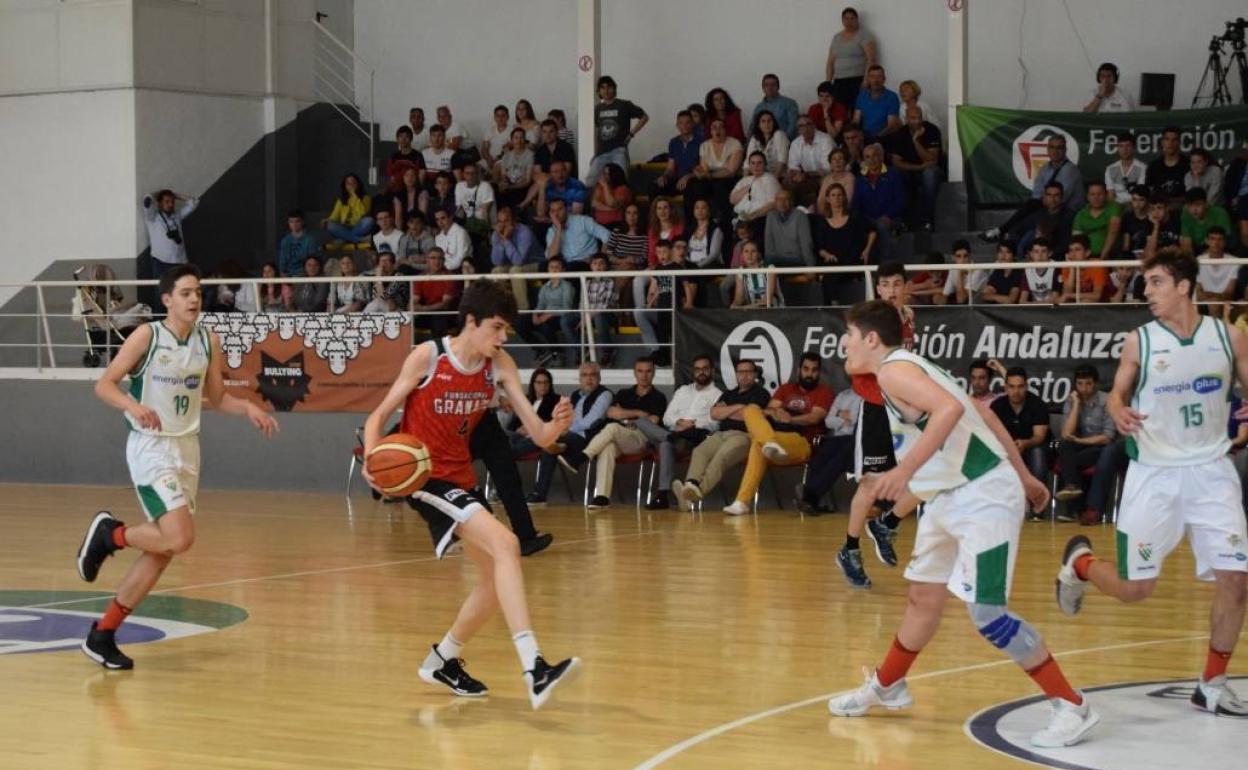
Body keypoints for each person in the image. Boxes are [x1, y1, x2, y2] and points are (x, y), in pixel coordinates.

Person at [828, 299, 1097, 749]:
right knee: (922, 598)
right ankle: (889, 684)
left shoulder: (895, 370)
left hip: (983, 494)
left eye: (849, 337)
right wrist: (1027, 475)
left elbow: (952, 412)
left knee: (988, 615)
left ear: (871, 339)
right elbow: (983, 413)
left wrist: (902, 471)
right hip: (948, 495)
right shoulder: (908, 367)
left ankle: (1073, 705)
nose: (843, 345)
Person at [360, 279, 580, 709]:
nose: (502, 338)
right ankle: (534, 666)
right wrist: (371, 458)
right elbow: (378, 416)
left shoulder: (499, 366)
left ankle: (443, 659)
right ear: (471, 322)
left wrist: (558, 425)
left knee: (495, 581)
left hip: (460, 477)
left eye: (506, 331)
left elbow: (539, 434)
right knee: (508, 543)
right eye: (496, 328)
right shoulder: (428, 357)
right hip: (422, 476)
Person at [1056, 249, 1248, 717]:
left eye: (1157, 282)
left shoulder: (1230, 337)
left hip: (1212, 472)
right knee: (1134, 590)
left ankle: (1212, 683)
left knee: (1237, 580)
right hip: (1154, 473)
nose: (1148, 292)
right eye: (1147, 284)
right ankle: (1081, 564)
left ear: (1184, 286)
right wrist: (1118, 406)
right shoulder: (1140, 341)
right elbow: (1119, 388)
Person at [76, 266, 278, 669]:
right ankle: (110, 535)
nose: (194, 299)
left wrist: (249, 408)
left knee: (165, 548)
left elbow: (218, 398)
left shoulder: (208, 340)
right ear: (167, 299)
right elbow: (105, 384)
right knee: (180, 538)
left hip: (188, 449)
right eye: (185, 293)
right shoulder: (147, 336)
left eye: (198, 293)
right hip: (151, 448)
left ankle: (103, 634)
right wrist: (134, 406)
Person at [834, 263, 918, 589]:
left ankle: (887, 523)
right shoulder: (866, 324)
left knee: (934, 473)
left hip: (905, 408)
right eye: (886, 284)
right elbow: (849, 364)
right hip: (877, 409)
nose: (893, 290)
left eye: (898, 284)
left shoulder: (908, 318)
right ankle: (850, 549)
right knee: (870, 484)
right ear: (878, 289)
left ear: (905, 288)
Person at [723, 353, 833, 516]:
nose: (809, 374)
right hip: (775, 437)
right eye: (806, 369)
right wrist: (776, 412)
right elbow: (767, 411)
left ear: (819, 372)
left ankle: (742, 501)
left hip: (801, 442)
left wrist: (790, 418)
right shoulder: (786, 389)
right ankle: (769, 443)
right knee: (751, 409)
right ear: (798, 370)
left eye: (814, 370)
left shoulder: (824, 392)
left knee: (758, 445)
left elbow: (814, 417)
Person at [672, 359, 771, 512]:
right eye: (740, 372)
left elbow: (749, 415)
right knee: (700, 451)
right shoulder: (729, 393)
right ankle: (691, 484)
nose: (744, 376)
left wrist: (728, 411)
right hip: (720, 434)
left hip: (743, 436)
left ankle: (693, 494)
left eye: (748, 372)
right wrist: (739, 407)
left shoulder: (761, 394)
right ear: (736, 374)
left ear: (755, 374)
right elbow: (714, 413)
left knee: (721, 456)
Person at [583, 358, 668, 509]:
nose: (644, 375)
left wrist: (625, 415)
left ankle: (584, 456)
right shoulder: (624, 393)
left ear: (654, 373)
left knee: (612, 429)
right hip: (621, 437)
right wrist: (638, 413)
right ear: (634, 373)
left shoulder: (659, 397)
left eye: (648, 371)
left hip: (641, 439)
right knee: (607, 447)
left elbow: (653, 421)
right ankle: (602, 497)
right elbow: (610, 412)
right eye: (640, 371)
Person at [527, 361, 613, 505]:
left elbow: (592, 421)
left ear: (599, 377)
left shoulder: (604, 394)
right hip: (568, 437)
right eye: (584, 375)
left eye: (593, 375)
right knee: (550, 446)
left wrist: (564, 430)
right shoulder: (575, 395)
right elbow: (564, 417)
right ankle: (540, 494)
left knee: (546, 438)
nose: (589, 379)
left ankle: (511, 451)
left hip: (587, 439)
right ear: (579, 378)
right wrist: (561, 429)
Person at [650, 355, 722, 510]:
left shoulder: (718, 394)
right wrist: (680, 422)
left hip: (693, 438)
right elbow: (667, 417)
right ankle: (667, 438)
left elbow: (714, 423)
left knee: (664, 444)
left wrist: (690, 425)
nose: (701, 372)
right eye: (697, 369)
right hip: (673, 432)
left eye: (705, 369)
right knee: (643, 424)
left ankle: (663, 494)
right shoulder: (683, 390)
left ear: (712, 371)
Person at [981, 137, 1085, 243]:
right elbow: (1036, 194)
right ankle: (1006, 234)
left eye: (1059, 148)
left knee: (1032, 210)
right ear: (1047, 149)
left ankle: (1003, 232)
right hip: (1047, 209)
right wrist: (1042, 200)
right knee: (1031, 208)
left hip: (1069, 211)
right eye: (1052, 147)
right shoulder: (1045, 168)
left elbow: (1058, 198)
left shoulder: (1070, 170)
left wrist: (1044, 199)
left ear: (1065, 150)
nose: (1055, 151)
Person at [1052, 365, 1116, 517]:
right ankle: (1072, 488)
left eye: (1088, 383)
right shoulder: (1072, 399)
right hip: (1078, 444)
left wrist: (1080, 441)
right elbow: (1066, 434)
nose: (1084, 388)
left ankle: (1075, 507)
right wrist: (1075, 405)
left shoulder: (1107, 401)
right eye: (1080, 384)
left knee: (1070, 461)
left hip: (1100, 447)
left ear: (1096, 383)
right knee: (1063, 445)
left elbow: (1107, 437)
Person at [793, 385, 862, 515]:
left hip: (858, 440)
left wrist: (839, 414)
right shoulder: (843, 395)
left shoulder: (872, 395)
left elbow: (858, 419)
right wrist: (844, 418)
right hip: (837, 438)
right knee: (820, 456)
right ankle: (812, 501)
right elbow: (828, 421)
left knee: (839, 459)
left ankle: (809, 496)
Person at [990, 365, 1051, 493]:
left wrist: (1025, 443)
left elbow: (1039, 437)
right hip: (1006, 449)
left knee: (1038, 452)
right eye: (1011, 387)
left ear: (1026, 386)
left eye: (1020, 386)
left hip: (1033, 447)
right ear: (1005, 387)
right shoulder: (997, 405)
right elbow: (991, 434)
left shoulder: (1038, 405)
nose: (1016, 391)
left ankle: (1038, 504)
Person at [812, 182, 875, 305]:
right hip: (833, 262)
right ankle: (832, 305)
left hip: (852, 260)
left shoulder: (854, 217)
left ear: (844, 197)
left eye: (839, 195)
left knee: (832, 274)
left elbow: (872, 231)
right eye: (833, 195)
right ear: (828, 199)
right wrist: (826, 255)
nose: (836, 198)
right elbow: (820, 248)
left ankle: (833, 305)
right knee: (830, 273)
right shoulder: (822, 222)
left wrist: (867, 250)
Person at [514, 255, 577, 367]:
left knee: (546, 325)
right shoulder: (545, 287)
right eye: (551, 267)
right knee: (518, 323)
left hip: (559, 316)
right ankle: (540, 350)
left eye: (557, 267)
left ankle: (557, 353)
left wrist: (549, 315)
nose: (554, 270)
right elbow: (540, 305)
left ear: (563, 270)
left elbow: (567, 309)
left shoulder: (567, 286)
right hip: (545, 315)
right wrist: (535, 314)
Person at [889, 104, 943, 231]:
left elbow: (931, 159)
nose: (917, 121)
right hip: (911, 170)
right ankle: (902, 221)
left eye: (919, 117)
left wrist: (916, 141)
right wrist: (919, 168)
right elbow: (896, 162)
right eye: (913, 118)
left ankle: (927, 219)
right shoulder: (900, 134)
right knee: (894, 173)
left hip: (930, 170)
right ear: (906, 119)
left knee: (929, 174)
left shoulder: (932, 130)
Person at [588, 75, 647, 187]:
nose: (606, 90)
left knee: (621, 182)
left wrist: (631, 134)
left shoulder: (624, 105)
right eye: (603, 88)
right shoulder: (598, 108)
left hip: (618, 150)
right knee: (591, 182)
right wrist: (595, 153)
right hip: (601, 152)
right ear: (599, 91)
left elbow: (644, 117)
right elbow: (598, 132)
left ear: (614, 89)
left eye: (609, 87)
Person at [686, 118, 745, 224]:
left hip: (729, 178)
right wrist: (698, 171)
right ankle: (695, 222)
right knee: (692, 185)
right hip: (711, 177)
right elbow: (704, 168)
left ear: (725, 130)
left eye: (721, 127)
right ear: (710, 131)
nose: (717, 130)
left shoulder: (735, 144)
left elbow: (730, 171)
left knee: (720, 186)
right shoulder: (704, 145)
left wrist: (709, 174)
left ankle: (726, 221)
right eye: (714, 127)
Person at [490, 206, 540, 311]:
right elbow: (496, 261)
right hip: (513, 265)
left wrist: (506, 240)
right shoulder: (496, 234)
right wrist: (501, 240)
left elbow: (519, 261)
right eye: (500, 221)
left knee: (515, 270)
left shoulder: (525, 232)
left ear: (513, 221)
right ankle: (502, 309)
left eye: (506, 221)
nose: (502, 225)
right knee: (496, 271)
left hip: (535, 264)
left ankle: (522, 310)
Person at [825, 7, 877, 106]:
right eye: (846, 18)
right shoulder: (837, 37)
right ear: (842, 20)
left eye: (852, 18)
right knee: (840, 110)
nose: (849, 21)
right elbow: (830, 62)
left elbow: (871, 59)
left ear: (857, 19)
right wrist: (828, 82)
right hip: (839, 80)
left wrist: (866, 80)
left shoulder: (865, 35)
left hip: (857, 79)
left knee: (857, 109)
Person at [652, 110, 703, 199]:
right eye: (681, 123)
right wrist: (664, 176)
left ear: (693, 124)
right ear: (677, 125)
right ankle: (655, 212)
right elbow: (670, 168)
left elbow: (704, 168)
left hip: (695, 179)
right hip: (678, 180)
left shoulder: (701, 141)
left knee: (691, 188)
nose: (684, 126)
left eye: (688, 123)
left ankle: (689, 213)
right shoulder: (674, 142)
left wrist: (688, 176)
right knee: (654, 187)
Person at [546, 199, 612, 267]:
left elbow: (607, 235)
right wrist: (558, 229)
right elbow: (551, 257)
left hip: (587, 263)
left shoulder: (583, 221)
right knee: (543, 266)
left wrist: (599, 258)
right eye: (553, 211)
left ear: (567, 209)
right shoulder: (551, 231)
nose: (556, 214)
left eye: (559, 209)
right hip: (567, 265)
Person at [785, 115, 833, 206]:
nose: (805, 128)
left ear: (814, 126)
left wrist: (806, 175)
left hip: (825, 176)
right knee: (788, 181)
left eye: (808, 124)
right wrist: (795, 175)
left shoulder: (825, 140)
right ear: (798, 130)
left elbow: (828, 169)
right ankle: (794, 213)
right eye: (801, 126)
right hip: (806, 177)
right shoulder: (796, 143)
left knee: (824, 181)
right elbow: (793, 166)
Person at [408, 249, 458, 335]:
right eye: (433, 258)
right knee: (407, 317)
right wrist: (411, 307)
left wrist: (423, 309)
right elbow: (414, 299)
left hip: (445, 314)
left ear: (444, 260)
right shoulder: (421, 276)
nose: (437, 261)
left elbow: (445, 305)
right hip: (428, 311)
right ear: (427, 260)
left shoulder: (449, 277)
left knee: (439, 317)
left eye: (440, 258)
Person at [1072, 182, 1122, 261]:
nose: (1096, 197)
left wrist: (1104, 254)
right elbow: (1077, 240)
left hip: (1112, 256)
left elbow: (1113, 230)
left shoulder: (1113, 207)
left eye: (1100, 194)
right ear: (1087, 196)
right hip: (1087, 258)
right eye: (1092, 194)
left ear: (1106, 195)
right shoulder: (1081, 214)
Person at [1180, 187, 1233, 257]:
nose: (1194, 209)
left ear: (1206, 204)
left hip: (1225, 248)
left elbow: (1220, 242)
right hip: (1198, 249)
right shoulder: (1185, 214)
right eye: (1190, 205)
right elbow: (1186, 242)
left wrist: (1203, 258)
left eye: (1198, 204)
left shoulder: (1219, 213)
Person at [852, 65, 901, 141]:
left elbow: (892, 125)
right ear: (868, 79)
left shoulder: (892, 97)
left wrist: (876, 138)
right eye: (872, 77)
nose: (876, 80)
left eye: (879, 76)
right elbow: (856, 120)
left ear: (884, 79)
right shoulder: (862, 95)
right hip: (864, 137)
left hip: (884, 137)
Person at [322, 173, 374, 246]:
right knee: (329, 225)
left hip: (359, 226)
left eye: (353, 182)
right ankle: (360, 239)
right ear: (345, 186)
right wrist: (326, 221)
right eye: (348, 183)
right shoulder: (341, 200)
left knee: (369, 220)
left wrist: (354, 195)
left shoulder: (366, 198)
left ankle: (344, 239)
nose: (351, 185)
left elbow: (363, 213)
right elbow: (334, 217)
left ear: (358, 184)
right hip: (344, 227)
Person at [1058, 234, 1108, 305]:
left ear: (1087, 252)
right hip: (1077, 303)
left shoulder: (1097, 266)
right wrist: (1072, 268)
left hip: (1103, 306)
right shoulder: (1067, 266)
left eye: (1077, 250)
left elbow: (1097, 296)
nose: (1073, 254)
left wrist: (1069, 295)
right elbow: (1066, 292)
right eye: (1071, 250)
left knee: (1086, 301)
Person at [494, 127, 535, 212]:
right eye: (516, 138)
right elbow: (504, 175)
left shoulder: (530, 155)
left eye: (521, 138)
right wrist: (503, 183)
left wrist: (511, 187)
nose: (519, 141)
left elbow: (527, 180)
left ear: (524, 139)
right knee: (494, 189)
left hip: (521, 187)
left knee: (512, 195)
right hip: (509, 185)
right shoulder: (506, 156)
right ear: (512, 140)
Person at [1145, 127, 1188, 205]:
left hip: (1182, 208)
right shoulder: (1153, 166)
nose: (1170, 143)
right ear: (1162, 142)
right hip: (1159, 209)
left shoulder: (1188, 164)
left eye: (1174, 140)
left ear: (1179, 142)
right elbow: (1149, 191)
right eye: (1167, 139)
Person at [731, 240, 779, 309]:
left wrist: (744, 307)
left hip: (773, 312)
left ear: (758, 254)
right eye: (746, 251)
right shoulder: (740, 271)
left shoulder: (769, 268)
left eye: (753, 251)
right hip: (751, 313)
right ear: (742, 255)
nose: (749, 255)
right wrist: (734, 305)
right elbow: (739, 299)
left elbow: (768, 301)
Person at [751, 73, 799, 140]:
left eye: (773, 85)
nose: (770, 88)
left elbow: (793, 126)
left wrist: (783, 141)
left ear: (778, 87)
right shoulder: (759, 107)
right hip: (763, 145)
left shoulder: (789, 103)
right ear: (763, 88)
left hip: (785, 143)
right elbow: (752, 128)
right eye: (766, 85)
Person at [745, 110, 790, 179]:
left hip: (779, 176)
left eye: (769, 121)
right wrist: (745, 180)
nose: (766, 124)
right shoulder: (754, 138)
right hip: (760, 176)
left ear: (773, 123)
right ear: (758, 125)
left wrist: (773, 180)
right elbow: (748, 161)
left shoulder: (779, 135)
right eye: (763, 121)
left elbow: (782, 161)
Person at [1104, 134, 1147, 205]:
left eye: (1128, 146)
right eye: (1121, 146)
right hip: (1116, 206)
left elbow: (1140, 194)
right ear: (1117, 148)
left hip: (1135, 205)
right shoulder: (1110, 169)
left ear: (1133, 148)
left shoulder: (1142, 168)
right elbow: (1110, 195)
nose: (1124, 149)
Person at [942, 239, 987, 305]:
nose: (962, 260)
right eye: (958, 256)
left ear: (970, 256)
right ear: (953, 257)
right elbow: (946, 294)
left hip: (982, 308)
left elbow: (961, 300)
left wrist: (959, 273)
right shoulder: (953, 269)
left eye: (965, 256)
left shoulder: (978, 271)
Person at [1018, 238, 1062, 304]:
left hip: (1052, 310)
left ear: (1050, 253)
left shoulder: (1056, 268)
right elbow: (1022, 301)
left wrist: (1034, 304)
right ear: (1031, 254)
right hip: (1035, 310)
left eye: (1043, 251)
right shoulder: (1027, 270)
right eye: (1036, 251)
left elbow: (1055, 300)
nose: (1040, 255)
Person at [591, 163, 632, 227]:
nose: (604, 176)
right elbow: (594, 203)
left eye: (607, 174)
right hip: (598, 224)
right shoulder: (599, 186)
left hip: (616, 224)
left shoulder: (623, 189)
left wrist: (605, 186)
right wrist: (609, 209)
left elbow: (612, 203)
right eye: (604, 173)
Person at [480, 104, 513, 172]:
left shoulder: (512, 131)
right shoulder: (489, 130)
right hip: (489, 159)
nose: (500, 118)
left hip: (504, 160)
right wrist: (489, 159)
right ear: (494, 117)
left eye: (503, 116)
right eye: (498, 116)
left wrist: (496, 160)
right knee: (476, 167)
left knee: (498, 168)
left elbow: (510, 149)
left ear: (508, 117)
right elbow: (484, 149)